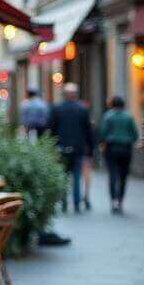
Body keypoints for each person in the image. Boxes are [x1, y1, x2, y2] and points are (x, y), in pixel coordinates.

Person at [49, 82, 95, 214]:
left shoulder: (57, 109)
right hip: (78, 148)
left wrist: (52, 146)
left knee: (63, 176)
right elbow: (88, 131)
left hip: (61, 148)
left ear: (64, 95)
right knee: (77, 176)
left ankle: (64, 202)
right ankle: (76, 203)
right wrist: (91, 149)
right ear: (75, 95)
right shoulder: (83, 109)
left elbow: (51, 129)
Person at [99, 95, 138, 214]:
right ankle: (120, 200)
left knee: (113, 174)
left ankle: (113, 201)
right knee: (123, 175)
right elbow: (135, 134)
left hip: (112, 148)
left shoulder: (108, 116)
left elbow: (102, 133)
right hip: (126, 148)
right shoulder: (128, 116)